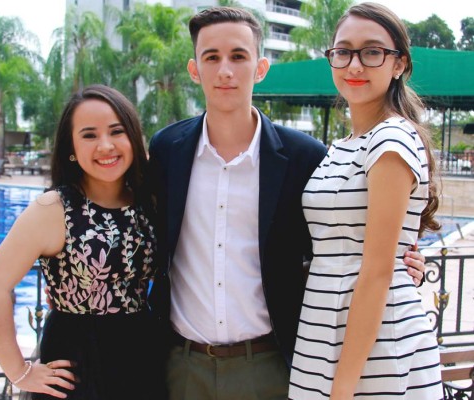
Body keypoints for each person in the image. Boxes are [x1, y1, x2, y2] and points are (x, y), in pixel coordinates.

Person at [147, 6, 427, 400]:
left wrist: (400, 263)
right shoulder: (166, 150)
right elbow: (139, 232)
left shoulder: (305, 156)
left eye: (239, 56)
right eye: (212, 57)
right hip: (182, 365)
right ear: (195, 70)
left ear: (261, 68)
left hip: (274, 363)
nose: (225, 70)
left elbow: (337, 240)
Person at [288, 3, 443, 399]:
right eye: (343, 51)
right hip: (327, 332)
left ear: (398, 65)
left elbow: (376, 271)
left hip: (373, 350)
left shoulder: (390, 139)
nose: (354, 65)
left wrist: (341, 389)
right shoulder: (344, 146)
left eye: (372, 52)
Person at [0, 84, 167, 399]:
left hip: (141, 357)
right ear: (71, 148)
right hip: (76, 363)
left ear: (133, 138)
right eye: (89, 135)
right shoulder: (53, 209)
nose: (105, 145)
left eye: (117, 132)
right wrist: (18, 371)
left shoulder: (148, 202)